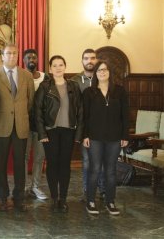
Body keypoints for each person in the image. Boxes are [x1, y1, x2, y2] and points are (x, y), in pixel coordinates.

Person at [34, 55, 83, 213]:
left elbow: (80, 111)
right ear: (50, 68)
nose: (58, 68)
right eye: (54, 65)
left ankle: (63, 198)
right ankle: (54, 197)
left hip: (68, 130)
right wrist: (42, 133)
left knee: (65, 165)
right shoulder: (45, 86)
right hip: (50, 131)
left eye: (61, 65)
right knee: (52, 164)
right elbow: (38, 112)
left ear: (65, 67)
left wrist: (78, 134)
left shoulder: (73, 86)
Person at [0, 44, 34, 212]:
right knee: (1, 165)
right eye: (8, 53)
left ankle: (18, 197)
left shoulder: (26, 75)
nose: (12, 56)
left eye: (15, 53)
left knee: (19, 165)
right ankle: (2, 197)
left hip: (20, 126)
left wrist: (20, 114)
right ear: (2, 56)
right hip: (1, 126)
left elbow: (30, 101)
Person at [83, 61, 129, 216]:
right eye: (99, 70)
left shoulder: (120, 91)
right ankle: (90, 201)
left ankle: (110, 201)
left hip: (114, 138)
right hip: (94, 137)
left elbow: (125, 115)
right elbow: (85, 117)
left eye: (105, 69)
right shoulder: (89, 92)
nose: (102, 72)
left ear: (109, 72)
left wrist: (125, 135)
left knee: (110, 171)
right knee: (94, 169)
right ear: (95, 74)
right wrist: (85, 136)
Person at [71, 49, 106, 201]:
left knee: (103, 161)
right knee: (86, 162)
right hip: (83, 127)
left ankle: (104, 190)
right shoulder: (74, 81)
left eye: (92, 58)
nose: (89, 61)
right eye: (86, 58)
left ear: (97, 60)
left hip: (103, 127)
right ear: (82, 61)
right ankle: (87, 191)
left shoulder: (104, 78)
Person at [23, 49, 50, 200]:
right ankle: (24, 186)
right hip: (24, 124)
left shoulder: (46, 77)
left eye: (34, 57)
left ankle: (36, 187)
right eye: (28, 57)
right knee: (24, 157)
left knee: (39, 157)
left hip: (41, 125)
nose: (32, 59)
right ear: (24, 60)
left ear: (37, 60)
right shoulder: (20, 76)